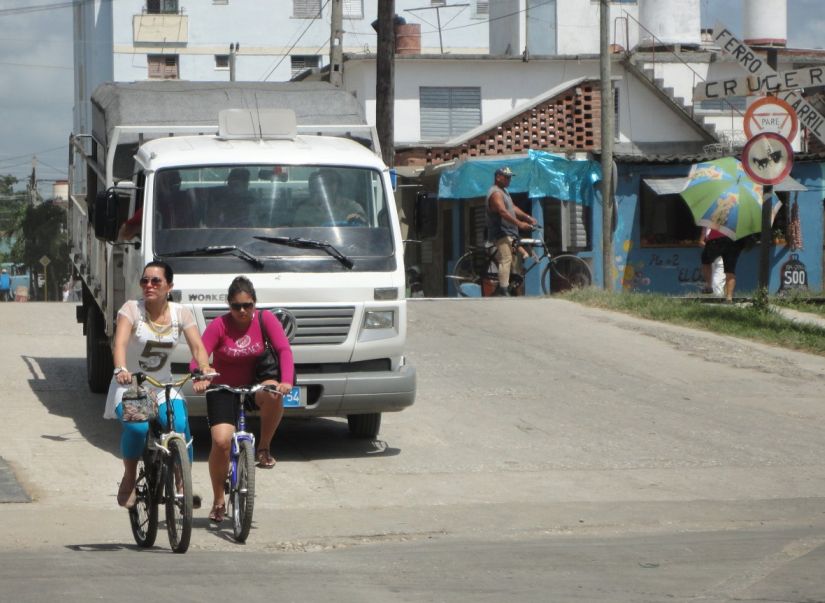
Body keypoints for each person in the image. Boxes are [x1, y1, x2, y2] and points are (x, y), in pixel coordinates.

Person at [105, 261, 214, 508]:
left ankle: (181, 481)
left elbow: (198, 347)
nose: (149, 285)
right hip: (132, 385)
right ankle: (130, 477)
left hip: (163, 385)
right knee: (138, 429)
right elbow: (119, 344)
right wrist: (121, 369)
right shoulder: (131, 309)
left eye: (156, 281)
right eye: (145, 280)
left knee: (180, 425)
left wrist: (204, 369)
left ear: (169, 286)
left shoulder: (181, 313)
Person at [191, 276, 294, 523]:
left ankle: (263, 447)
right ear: (228, 305)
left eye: (247, 305)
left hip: (254, 384)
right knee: (222, 441)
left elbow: (283, 350)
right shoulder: (219, 325)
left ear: (254, 303)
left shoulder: (265, 319)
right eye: (236, 306)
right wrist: (201, 375)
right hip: (224, 388)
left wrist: (286, 381)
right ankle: (218, 499)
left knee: (273, 393)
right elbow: (199, 356)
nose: (242, 311)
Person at [485, 167, 537, 296]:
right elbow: (503, 211)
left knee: (520, 257)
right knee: (506, 258)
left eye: (510, 177)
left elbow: (512, 208)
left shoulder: (504, 192)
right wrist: (519, 224)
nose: (509, 180)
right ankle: (503, 288)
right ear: (498, 177)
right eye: (506, 177)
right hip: (500, 233)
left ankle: (511, 287)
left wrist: (527, 218)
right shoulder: (495, 193)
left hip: (510, 233)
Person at [292, 169, 366, 226]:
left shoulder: (351, 207)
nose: (327, 186)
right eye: (324, 181)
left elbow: (364, 227)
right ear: (316, 185)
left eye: (331, 182)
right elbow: (297, 234)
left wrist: (357, 219)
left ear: (338, 185)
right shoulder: (305, 210)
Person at [699, 226, 743, 302]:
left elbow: (701, 241)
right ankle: (729, 297)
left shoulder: (716, 215)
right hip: (733, 241)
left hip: (716, 239)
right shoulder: (739, 216)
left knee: (705, 261)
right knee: (730, 271)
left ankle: (709, 286)